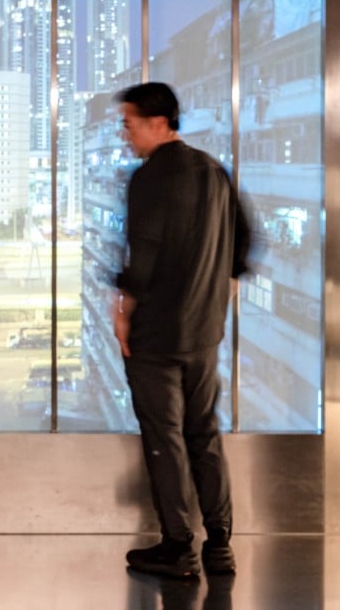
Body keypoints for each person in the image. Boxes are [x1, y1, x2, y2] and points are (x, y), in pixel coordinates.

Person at [112, 82, 250, 578]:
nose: (125, 134)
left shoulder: (149, 178)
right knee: (203, 431)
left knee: (164, 437)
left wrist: (124, 309)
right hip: (203, 333)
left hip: (157, 335)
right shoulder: (213, 171)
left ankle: (178, 547)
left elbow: (144, 253)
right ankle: (220, 544)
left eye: (129, 124)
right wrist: (216, 295)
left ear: (157, 123)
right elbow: (243, 241)